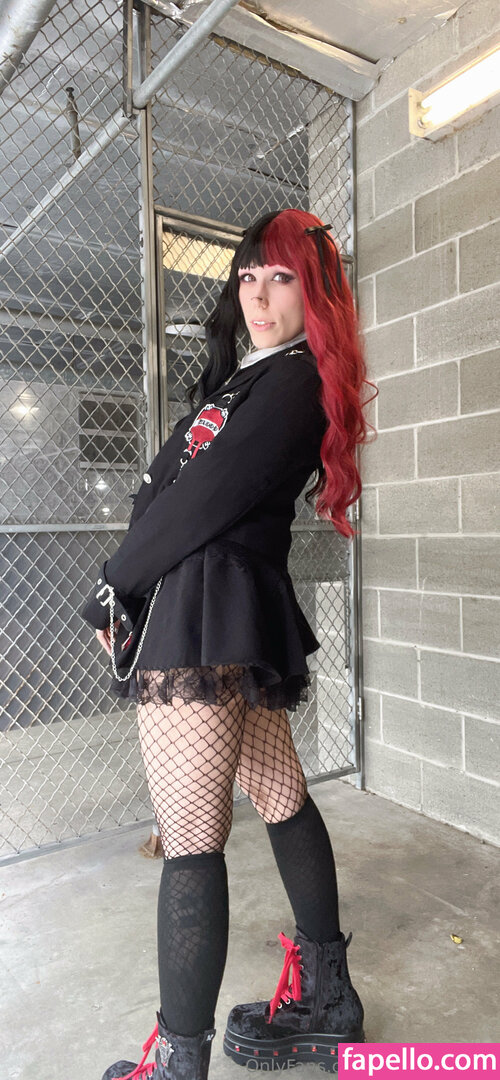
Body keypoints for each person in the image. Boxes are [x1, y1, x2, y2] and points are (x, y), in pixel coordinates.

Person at [80, 207, 378, 1079]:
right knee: (280, 794)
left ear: (315, 292)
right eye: (248, 276)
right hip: (217, 606)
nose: (258, 294)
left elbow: (202, 503)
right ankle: (330, 1001)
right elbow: (177, 490)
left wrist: (115, 585)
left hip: (206, 608)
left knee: (191, 840)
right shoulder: (254, 377)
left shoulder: (295, 380)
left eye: (281, 277)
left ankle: (180, 1066)